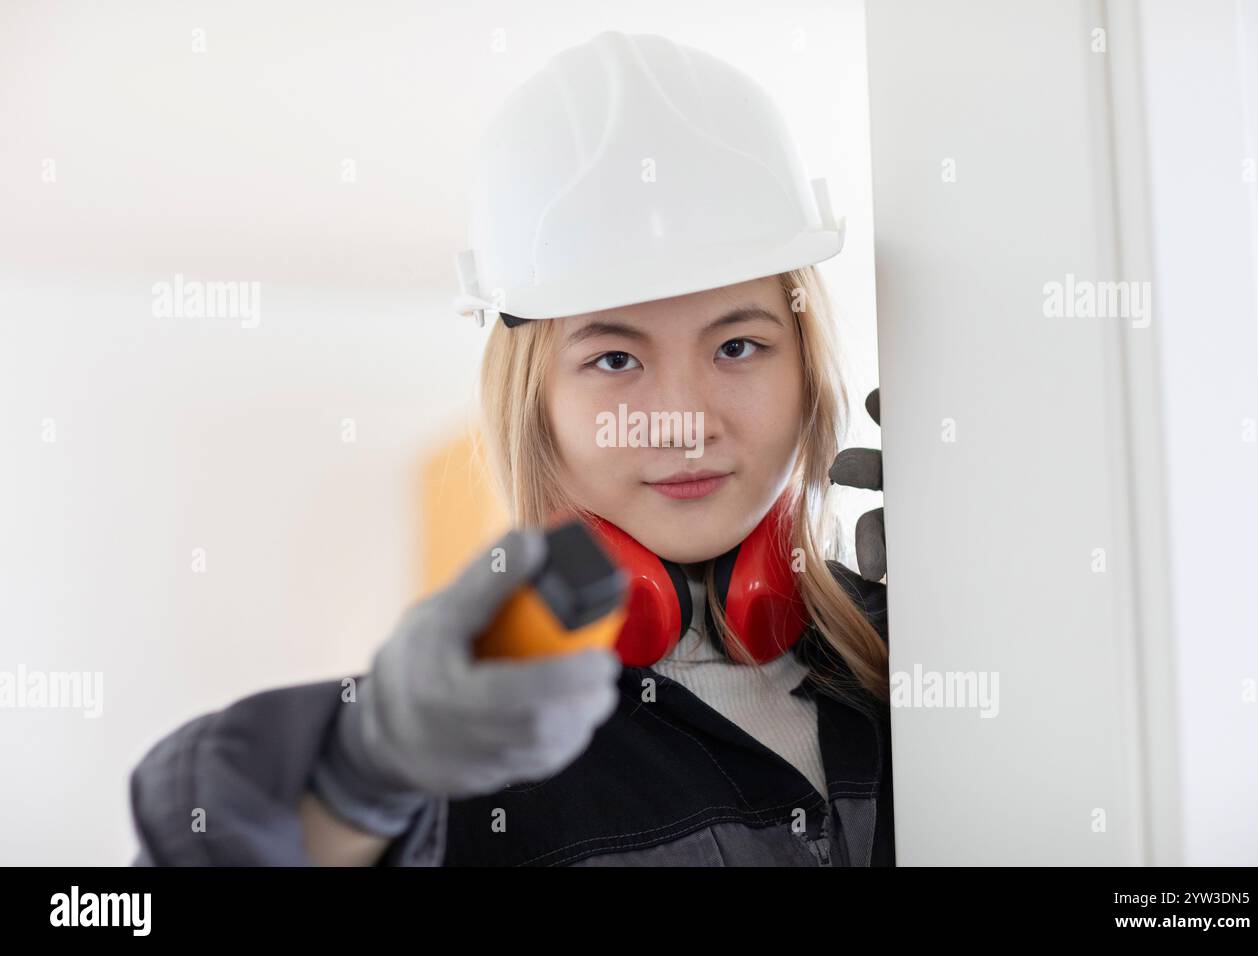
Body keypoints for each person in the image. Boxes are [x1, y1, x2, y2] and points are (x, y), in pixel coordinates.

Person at [128, 30, 891, 867]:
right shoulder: (482, 741)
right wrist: (366, 770)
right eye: (614, 359)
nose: (682, 421)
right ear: (536, 407)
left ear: (808, 370)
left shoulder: (909, 660)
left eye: (737, 347)